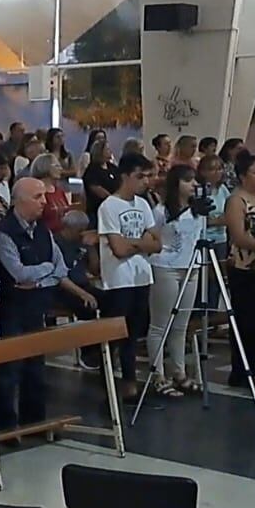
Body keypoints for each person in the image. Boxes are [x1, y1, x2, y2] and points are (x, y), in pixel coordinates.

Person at [0, 178, 96, 428]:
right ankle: (6, 426)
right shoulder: (4, 233)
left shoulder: (42, 230)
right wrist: (45, 271)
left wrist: (39, 278)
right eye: (38, 197)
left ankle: (34, 423)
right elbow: (18, 273)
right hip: (12, 309)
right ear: (21, 200)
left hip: (36, 304)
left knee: (35, 369)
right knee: (9, 371)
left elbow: (60, 269)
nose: (44, 202)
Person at [96, 152, 161, 401]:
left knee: (133, 334)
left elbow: (157, 244)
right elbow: (119, 249)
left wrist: (136, 243)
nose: (145, 181)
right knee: (116, 334)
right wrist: (141, 242)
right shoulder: (110, 206)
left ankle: (131, 380)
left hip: (141, 277)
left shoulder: (143, 205)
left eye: (147, 176)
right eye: (139, 176)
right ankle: (110, 381)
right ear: (125, 176)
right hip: (118, 280)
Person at [141, 165, 206, 397]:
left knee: (181, 326)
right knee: (160, 325)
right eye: (188, 181)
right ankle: (157, 374)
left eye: (195, 181)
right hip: (165, 267)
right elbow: (151, 236)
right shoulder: (161, 211)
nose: (194, 185)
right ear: (176, 183)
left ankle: (179, 372)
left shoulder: (198, 210)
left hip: (191, 268)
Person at [225, 154, 255, 385]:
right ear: (243, 176)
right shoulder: (236, 200)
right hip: (244, 265)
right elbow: (239, 236)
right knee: (245, 319)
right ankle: (241, 371)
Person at [82, 139, 119, 224]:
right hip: (98, 211)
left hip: (115, 209)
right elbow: (99, 191)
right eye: (107, 149)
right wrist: (115, 200)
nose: (110, 151)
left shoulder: (112, 167)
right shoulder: (92, 171)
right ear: (99, 152)